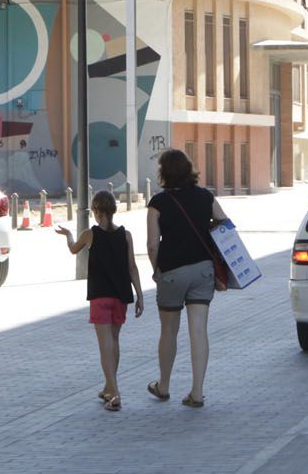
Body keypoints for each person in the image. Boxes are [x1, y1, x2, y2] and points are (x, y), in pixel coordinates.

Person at [145, 148, 228, 409]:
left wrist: (155, 270)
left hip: (171, 271)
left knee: (169, 330)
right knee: (198, 331)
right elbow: (225, 223)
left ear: (164, 173)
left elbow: (151, 244)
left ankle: (164, 386)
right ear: (189, 170)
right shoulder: (206, 197)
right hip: (203, 269)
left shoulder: (158, 203)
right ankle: (197, 392)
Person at [56, 190, 145, 412]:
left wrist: (67, 234)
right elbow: (132, 267)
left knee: (105, 346)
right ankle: (108, 386)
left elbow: (73, 249)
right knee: (114, 342)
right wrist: (140, 294)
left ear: (96, 211)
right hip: (121, 295)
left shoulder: (90, 234)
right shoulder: (126, 235)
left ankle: (115, 393)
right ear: (113, 211)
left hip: (99, 296)